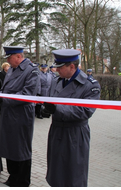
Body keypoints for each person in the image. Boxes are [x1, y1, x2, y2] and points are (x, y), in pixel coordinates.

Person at [43, 49, 100, 187]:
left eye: (60, 67)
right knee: (56, 172)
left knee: (73, 174)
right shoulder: (57, 81)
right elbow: (50, 98)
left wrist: (57, 108)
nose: (56, 70)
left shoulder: (90, 85)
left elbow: (85, 111)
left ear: (72, 66)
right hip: (57, 131)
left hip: (74, 135)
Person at [0, 46, 39, 187]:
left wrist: (4, 99)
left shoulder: (32, 71)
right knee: (9, 147)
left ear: (18, 56)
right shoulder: (12, 69)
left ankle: (23, 181)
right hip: (8, 114)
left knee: (21, 149)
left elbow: (27, 95)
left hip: (21, 116)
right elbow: (5, 88)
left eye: (9, 57)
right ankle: (13, 177)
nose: (7, 60)